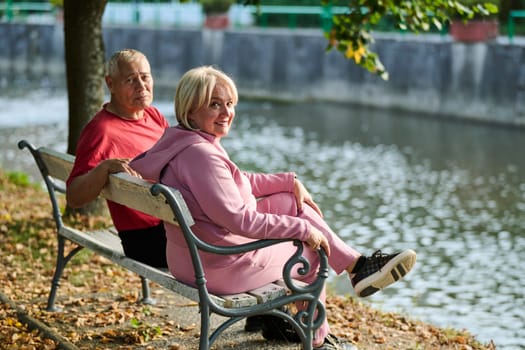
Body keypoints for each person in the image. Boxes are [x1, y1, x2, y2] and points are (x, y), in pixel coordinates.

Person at [130, 66, 417, 349]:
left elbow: (236, 181)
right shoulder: (201, 155)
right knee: (312, 252)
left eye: (229, 104)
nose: (226, 112)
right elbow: (239, 220)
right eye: (214, 105)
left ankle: (357, 267)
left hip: (192, 256)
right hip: (218, 265)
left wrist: (288, 181)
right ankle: (317, 337)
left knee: (289, 201)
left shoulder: (182, 141)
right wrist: (303, 229)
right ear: (191, 110)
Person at [66, 49, 169, 268]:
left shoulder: (153, 115)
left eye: (145, 77)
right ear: (110, 84)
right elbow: (74, 197)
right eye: (131, 80)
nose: (141, 86)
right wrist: (104, 168)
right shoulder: (102, 131)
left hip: (171, 225)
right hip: (147, 241)